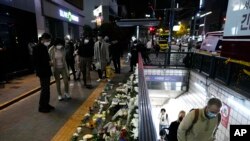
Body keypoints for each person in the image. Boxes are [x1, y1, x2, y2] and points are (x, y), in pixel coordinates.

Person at [33, 33, 54, 113]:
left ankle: (46, 104)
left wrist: (49, 62)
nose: (48, 42)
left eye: (49, 41)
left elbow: (46, 58)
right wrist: (47, 63)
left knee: (47, 89)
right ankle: (41, 107)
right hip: (42, 72)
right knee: (44, 89)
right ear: (43, 39)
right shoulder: (37, 48)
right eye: (47, 40)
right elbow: (36, 61)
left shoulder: (44, 47)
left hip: (46, 71)